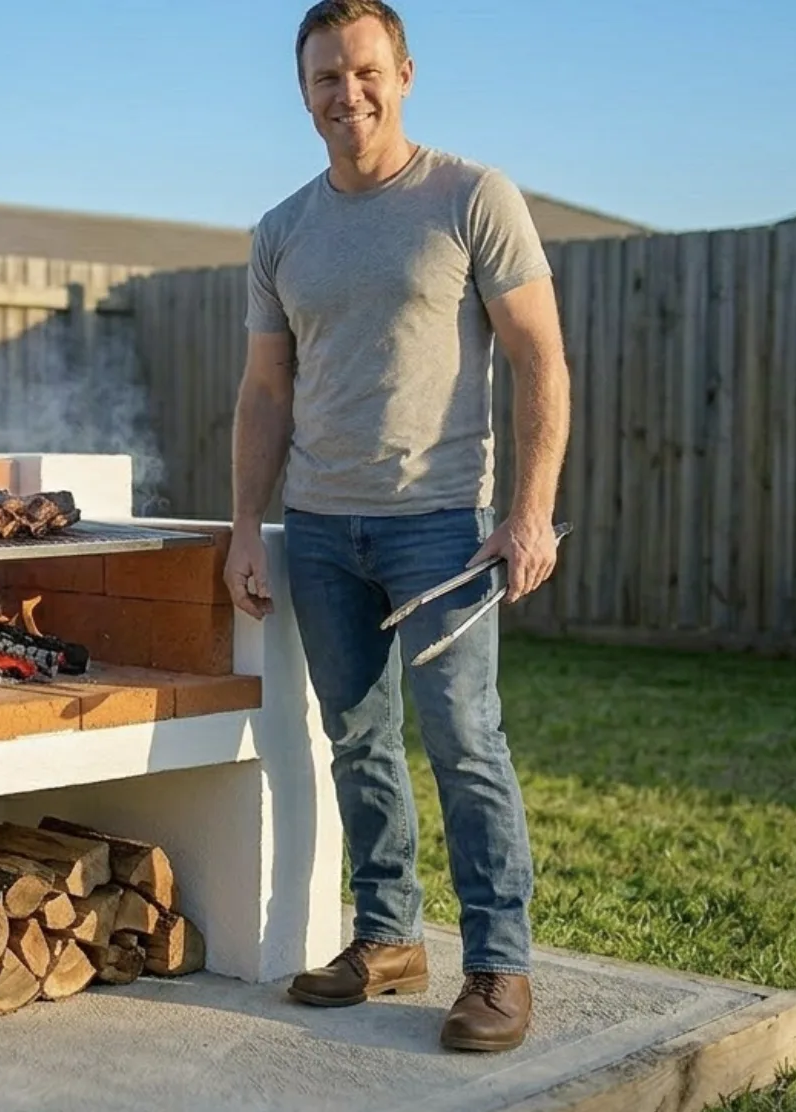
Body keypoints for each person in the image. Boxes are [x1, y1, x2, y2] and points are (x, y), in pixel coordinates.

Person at [223, 0, 572, 1054]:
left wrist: (529, 512)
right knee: (357, 742)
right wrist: (245, 526)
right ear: (303, 94)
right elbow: (264, 391)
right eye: (326, 77)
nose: (348, 93)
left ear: (405, 74)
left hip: (443, 528)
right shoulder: (280, 231)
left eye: (365, 70)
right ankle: (386, 936)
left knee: (465, 743)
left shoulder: (471, 197)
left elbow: (539, 358)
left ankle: (498, 965)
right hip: (321, 528)